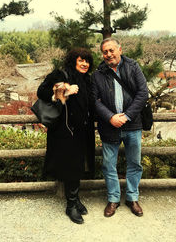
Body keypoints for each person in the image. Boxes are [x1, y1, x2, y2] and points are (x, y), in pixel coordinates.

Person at [36, 48, 95, 224]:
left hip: (83, 130)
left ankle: (75, 199)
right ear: (73, 61)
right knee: (71, 165)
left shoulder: (87, 79)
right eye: (81, 60)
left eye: (87, 61)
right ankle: (71, 204)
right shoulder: (61, 75)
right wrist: (63, 93)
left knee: (80, 164)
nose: (85, 64)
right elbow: (41, 92)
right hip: (65, 131)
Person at [91, 38, 148, 217]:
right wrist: (110, 117)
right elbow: (94, 100)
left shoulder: (133, 67)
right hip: (109, 126)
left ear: (119, 50)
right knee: (109, 165)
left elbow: (142, 92)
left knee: (134, 163)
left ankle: (132, 197)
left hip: (133, 124)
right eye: (105, 52)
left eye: (111, 50)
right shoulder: (98, 74)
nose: (108, 54)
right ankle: (113, 199)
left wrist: (128, 115)